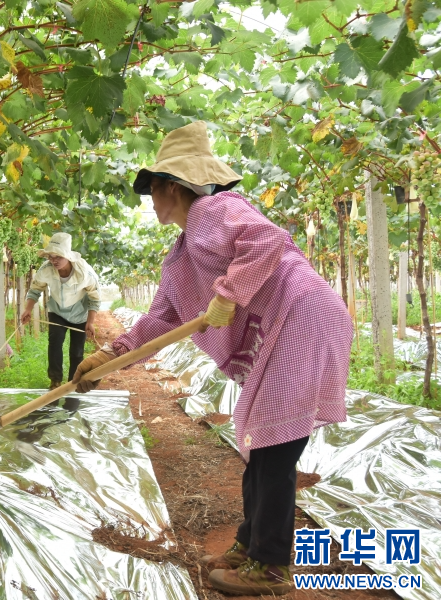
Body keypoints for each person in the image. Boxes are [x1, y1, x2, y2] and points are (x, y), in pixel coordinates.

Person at [71, 121, 352, 596]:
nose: (152, 201)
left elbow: (266, 241)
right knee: (260, 442)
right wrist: (110, 355)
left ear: (173, 187)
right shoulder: (182, 250)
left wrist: (229, 291)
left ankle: (271, 564)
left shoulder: (217, 207)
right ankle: (249, 544)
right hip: (286, 324)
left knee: (275, 444)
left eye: (154, 190)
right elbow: (161, 315)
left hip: (301, 317)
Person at [20, 232, 101, 389]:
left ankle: (73, 383)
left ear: (68, 257)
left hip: (80, 314)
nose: (54, 260)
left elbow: (95, 297)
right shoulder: (46, 270)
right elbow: (35, 289)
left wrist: (90, 322)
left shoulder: (84, 272)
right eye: (51, 256)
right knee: (55, 343)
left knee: (77, 351)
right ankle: (55, 381)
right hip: (56, 311)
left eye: (58, 256)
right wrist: (28, 309)